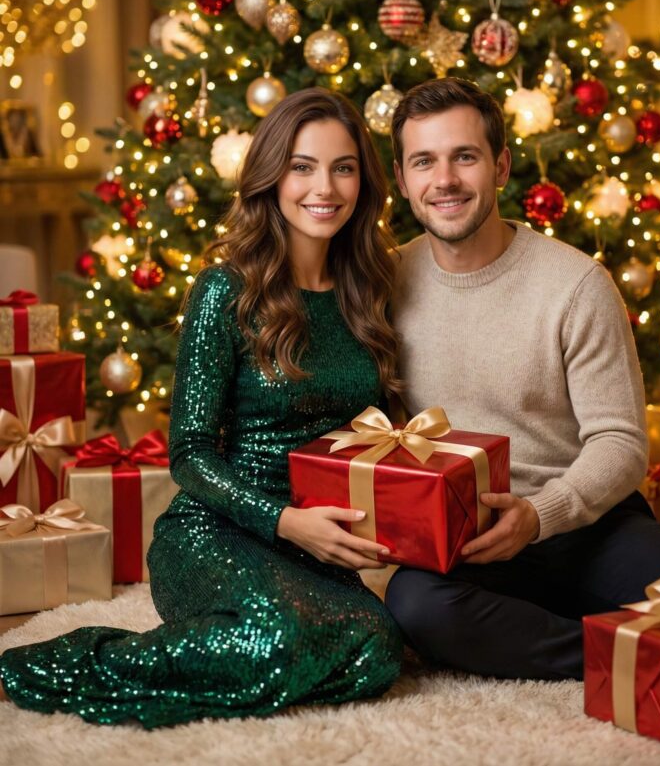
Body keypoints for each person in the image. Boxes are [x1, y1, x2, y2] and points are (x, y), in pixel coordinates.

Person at [0, 88, 403, 727]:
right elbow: (188, 453)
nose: (324, 186)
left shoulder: (369, 293)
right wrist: (284, 521)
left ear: (363, 180)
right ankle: (63, 662)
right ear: (272, 177)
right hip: (214, 532)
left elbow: (382, 439)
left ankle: (246, 661)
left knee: (376, 650)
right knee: (275, 637)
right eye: (302, 166)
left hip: (318, 545)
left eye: (343, 166)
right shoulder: (227, 291)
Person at [383, 77, 660, 681]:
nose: (446, 180)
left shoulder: (576, 284)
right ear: (403, 182)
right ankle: (629, 653)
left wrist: (539, 515)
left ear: (501, 165)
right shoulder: (384, 283)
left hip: (585, 526)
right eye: (424, 161)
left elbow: (620, 444)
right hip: (469, 546)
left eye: (465, 156)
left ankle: (634, 633)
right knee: (414, 606)